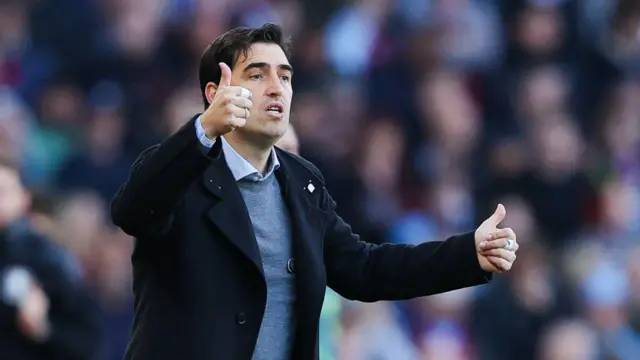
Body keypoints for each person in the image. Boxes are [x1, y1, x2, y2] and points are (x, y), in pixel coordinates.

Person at [110, 23, 519, 360]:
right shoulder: (180, 170)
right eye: (258, 75)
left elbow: (365, 270)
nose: (277, 88)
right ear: (216, 92)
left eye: (284, 76)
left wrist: (469, 254)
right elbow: (133, 211)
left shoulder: (301, 181)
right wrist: (203, 130)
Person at [0, 154, 102, 360]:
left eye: (2, 193)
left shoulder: (45, 258)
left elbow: (88, 342)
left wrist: (42, 329)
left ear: (23, 198)